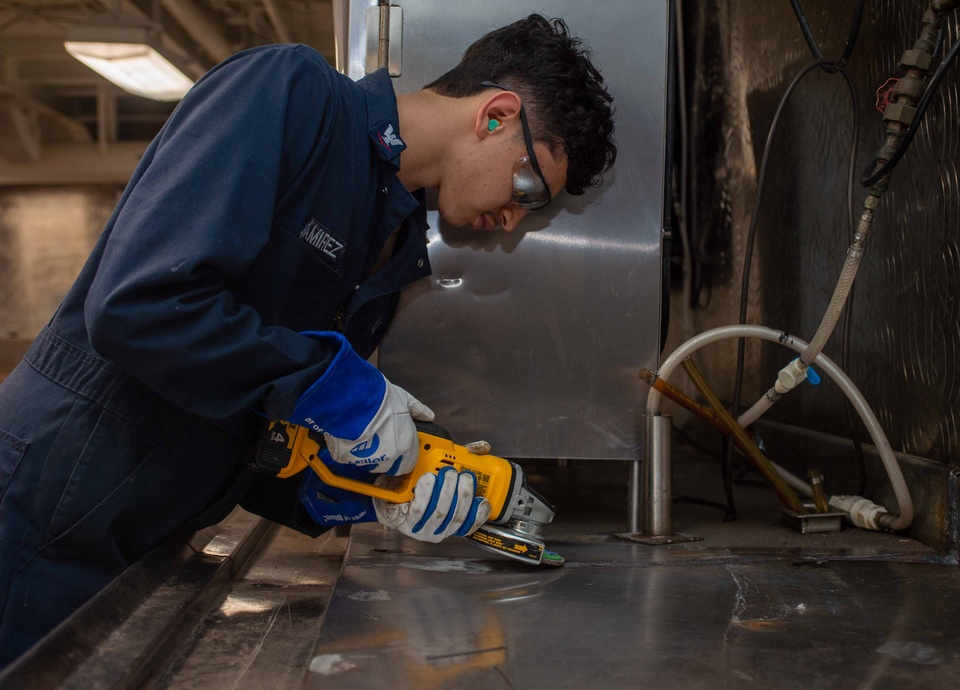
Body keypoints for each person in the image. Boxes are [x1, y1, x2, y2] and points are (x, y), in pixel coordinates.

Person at [0, 13, 616, 664]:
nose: (514, 219)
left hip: (146, 535)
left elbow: (252, 426)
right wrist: (334, 385)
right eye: (527, 188)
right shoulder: (294, 95)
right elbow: (139, 305)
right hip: (46, 510)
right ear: (495, 115)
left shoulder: (393, 247)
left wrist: (350, 495)